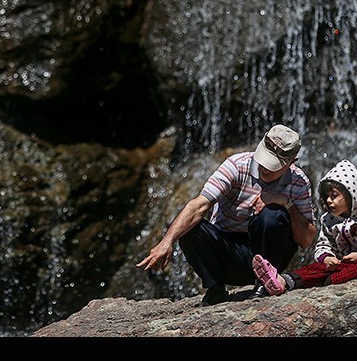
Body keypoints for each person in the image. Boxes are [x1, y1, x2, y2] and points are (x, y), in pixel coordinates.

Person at [136, 124, 317, 306]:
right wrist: (167, 241)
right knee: (190, 228)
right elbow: (198, 206)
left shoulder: (299, 181)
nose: (264, 168)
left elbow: (306, 240)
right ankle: (215, 289)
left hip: (269, 255)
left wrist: (285, 203)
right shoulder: (237, 165)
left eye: (272, 165)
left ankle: (264, 283)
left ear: (291, 162)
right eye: (264, 159)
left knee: (273, 214)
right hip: (228, 253)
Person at [252, 159, 357, 296]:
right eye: (326, 197)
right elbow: (323, 245)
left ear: (351, 194)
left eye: (334, 195)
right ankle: (285, 280)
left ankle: (326, 281)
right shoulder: (329, 220)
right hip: (341, 266)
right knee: (320, 267)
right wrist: (326, 257)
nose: (329, 201)